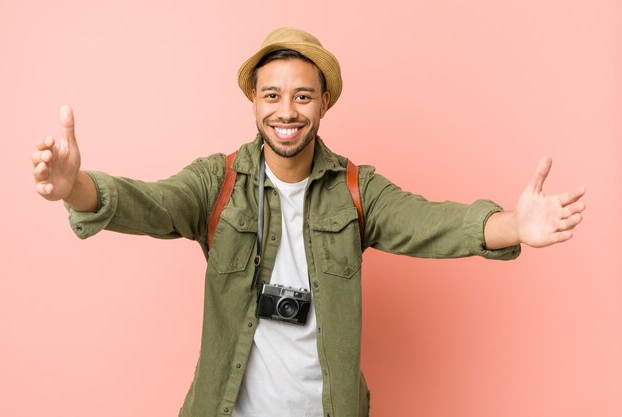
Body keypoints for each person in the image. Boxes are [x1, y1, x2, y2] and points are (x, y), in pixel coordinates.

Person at [31, 27, 586, 417]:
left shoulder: (356, 188)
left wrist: (517, 225)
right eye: (271, 95)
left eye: (302, 96)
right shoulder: (217, 183)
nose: (286, 111)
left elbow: (430, 223)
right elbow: (145, 202)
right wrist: (75, 188)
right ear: (254, 101)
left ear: (324, 103)